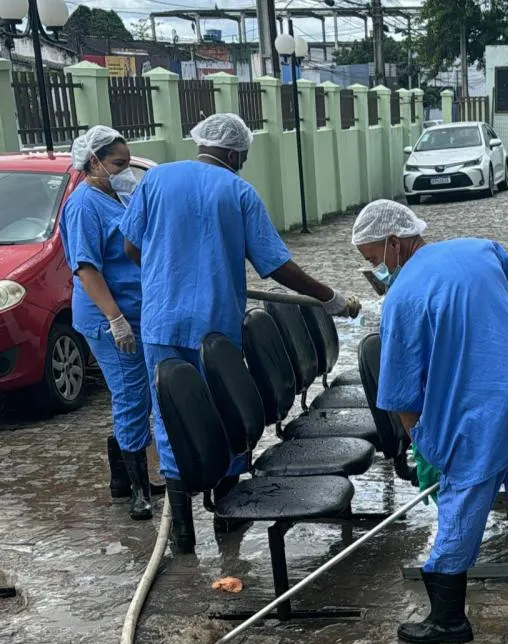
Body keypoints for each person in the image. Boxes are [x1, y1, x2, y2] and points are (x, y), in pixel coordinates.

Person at [352, 199, 508, 644]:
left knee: (460, 511)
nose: (376, 270)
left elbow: (400, 395)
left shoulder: (400, 298)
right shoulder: (482, 250)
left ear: (394, 242)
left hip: (473, 419)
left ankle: (447, 620)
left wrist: (424, 447)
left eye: (373, 258)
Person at [119, 113, 360, 555]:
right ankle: (228, 516)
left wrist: (165, 273)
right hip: (214, 327)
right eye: (243, 155)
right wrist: (328, 296)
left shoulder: (155, 180)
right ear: (234, 153)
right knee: (225, 411)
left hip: (161, 321)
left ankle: (183, 533)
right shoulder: (238, 192)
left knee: (171, 416)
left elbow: (131, 246)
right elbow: (276, 265)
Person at [59, 125, 155, 522]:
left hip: (134, 310)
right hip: (108, 317)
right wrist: (116, 319)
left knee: (138, 394)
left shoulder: (117, 194)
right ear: (93, 162)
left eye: (127, 163)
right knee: (131, 395)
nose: (125, 170)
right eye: (118, 163)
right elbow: (86, 268)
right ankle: (139, 491)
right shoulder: (83, 205)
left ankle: (123, 479)